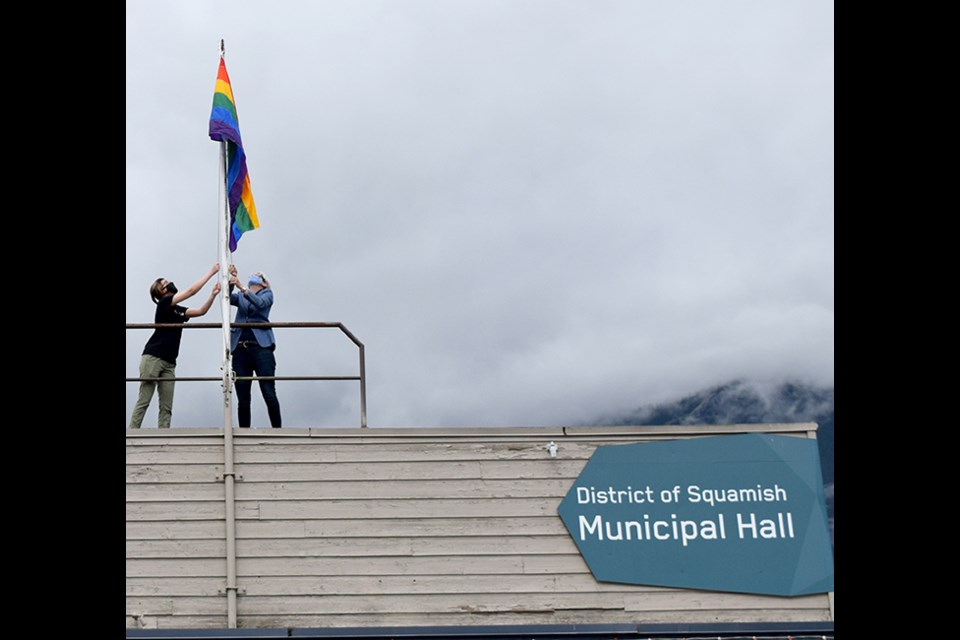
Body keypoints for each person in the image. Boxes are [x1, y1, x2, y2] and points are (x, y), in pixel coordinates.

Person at [129, 263, 221, 429]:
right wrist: (211, 273)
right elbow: (191, 291)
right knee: (144, 399)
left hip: (170, 362)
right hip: (153, 357)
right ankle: (132, 433)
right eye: (166, 283)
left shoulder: (177, 309)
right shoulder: (164, 303)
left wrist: (213, 295)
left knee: (166, 405)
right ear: (162, 291)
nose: (170, 283)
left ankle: (164, 436)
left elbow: (201, 311)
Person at [228, 264, 282, 428]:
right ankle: (244, 431)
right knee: (243, 397)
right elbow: (228, 298)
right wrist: (231, 281)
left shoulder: (268, 294)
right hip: (240, 349)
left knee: (268, 391)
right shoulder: (242, 295)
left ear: (264, 283)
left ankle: (277, 430)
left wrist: (242, 287)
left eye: (258, 276)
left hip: (261, 347)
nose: (254, 277)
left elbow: (259, 303)